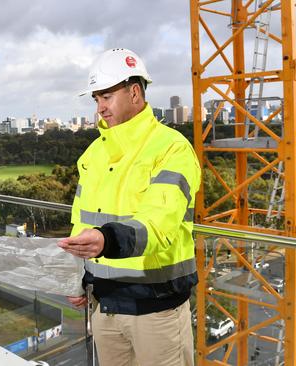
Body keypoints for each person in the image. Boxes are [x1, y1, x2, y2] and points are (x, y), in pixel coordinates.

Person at [58, 48, 201, 366]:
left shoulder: (171, 149)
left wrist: (106, 240)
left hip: (156, 312)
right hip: (104, 308)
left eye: (106, 96)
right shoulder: (93, 154)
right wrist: (78, 277)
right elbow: (80, 224)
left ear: (134, 92)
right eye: (96, 99)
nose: (100, 107)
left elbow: (158, 224)